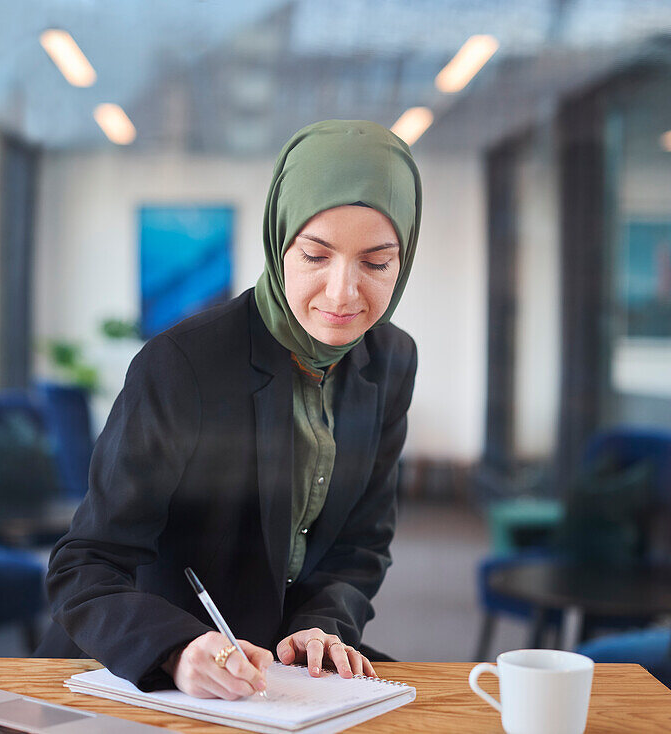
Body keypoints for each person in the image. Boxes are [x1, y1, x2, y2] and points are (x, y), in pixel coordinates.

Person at [36, 119, 421, 701]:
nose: (343, 293)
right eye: (316, 255)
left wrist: (322, 624)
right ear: (278, 240)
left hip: (276, 682)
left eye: (376, 263)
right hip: (137, 674)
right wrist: (175, 650)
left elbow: (360, 544)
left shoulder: (389, 359)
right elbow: (84, 565)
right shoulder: (182, 364)